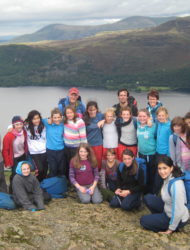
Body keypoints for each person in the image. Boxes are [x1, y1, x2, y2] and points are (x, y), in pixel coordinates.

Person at [140, 156, 189, 234]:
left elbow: (178, 210)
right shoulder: (168, 177)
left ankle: (173, 226)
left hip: (176, 218)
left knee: (143, 221)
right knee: (148, 198)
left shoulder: (176, 185)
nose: (162, 171)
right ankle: (158, 218)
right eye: (159, 168)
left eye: (164, 168)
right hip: (168, 208)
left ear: (171, 168)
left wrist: (170, 229)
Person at [2, 116, 28, 192]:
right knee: (14, 174)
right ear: (13, 125)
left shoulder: (24, 132)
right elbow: (5, 150)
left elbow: (30, 121)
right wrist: (7, 163)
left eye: (20, 124)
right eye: (17, 124)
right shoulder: (8, 136)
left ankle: (22, 189)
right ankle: (11, 190)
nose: (19, 126)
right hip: (14, 158)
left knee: (23, 172)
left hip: (22, 155)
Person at [64, 105, 87, 178]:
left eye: (71, 112)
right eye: (67, 113)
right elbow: (54, 118)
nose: (69, 114)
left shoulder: (80, 121)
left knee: (76, 164)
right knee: (68, 163)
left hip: (76, 147)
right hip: (66, 147)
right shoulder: (64, 120)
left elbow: (83, 136)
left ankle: (78, 178)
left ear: (74, 112)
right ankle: (69, 180)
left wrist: (84, 149)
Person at [25, 110, 48, 182]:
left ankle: (42, 185)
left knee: (45, 170)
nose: (36, 120)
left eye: (38, 118)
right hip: (34, 152)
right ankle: (35, 183)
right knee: (40, 169)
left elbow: (50, 120)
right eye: (34, 119)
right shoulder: (26, 126)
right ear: (30, 119)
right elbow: (16, 125)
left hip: (44, 150)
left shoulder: (44, 125)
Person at [137, 109, 157, 193]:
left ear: (148, 117)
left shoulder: (153, 126)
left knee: (151, 173)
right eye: (140, 116)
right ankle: (144, 191)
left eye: (144, 116)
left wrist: (150, 121)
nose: (142, 118)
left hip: (151, 154)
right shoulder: (137, 124)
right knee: (143, 173)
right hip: (141, 153)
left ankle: (152, 191)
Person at [153, 107, 172, 194]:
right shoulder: (159, 124)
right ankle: (157, 192)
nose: (160, 117)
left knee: (160, 175)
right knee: (157, 173)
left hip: (165, 155)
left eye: (162, 115)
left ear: (167, 116)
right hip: (157, 153)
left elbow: (171, 142)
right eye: (159, 116)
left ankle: (158, 193)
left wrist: (168, 155)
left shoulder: (169, 126)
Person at [43, 108, 64, 177]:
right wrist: (48, 119)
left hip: (61, 150)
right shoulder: (47, 123)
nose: (57, 119)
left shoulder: (63, 124)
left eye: (58, 117)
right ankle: (52, 183)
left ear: (61, 117)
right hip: (50, 150)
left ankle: (61, 184)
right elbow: (37, 119)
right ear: (52, 118)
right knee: (53, 168)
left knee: (61, 169)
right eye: (54, 117)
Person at [84, 101, 104, 171]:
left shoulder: (100, 116)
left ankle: (97, 177)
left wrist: (103, 121)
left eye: (94, 110)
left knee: (98, 162)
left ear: (97, 109)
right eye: (90, 110)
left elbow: (110, 117)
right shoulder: (85, 119)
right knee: (89, 162)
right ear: (87, 110)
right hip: (89, 144)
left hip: (99, 144)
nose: (92, 112)